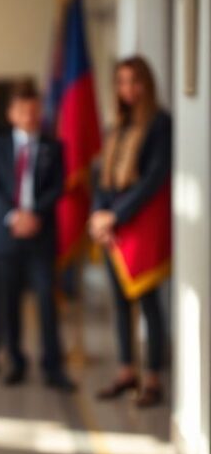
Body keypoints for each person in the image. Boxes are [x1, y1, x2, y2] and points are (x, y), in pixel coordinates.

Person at [0, 79, 75, 391]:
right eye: (23, 110)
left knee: (47, 301)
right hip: (5, 235)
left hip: (41, 236)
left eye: (34, 110)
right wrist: (13, 216)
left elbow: (57, 186)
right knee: (8, 302)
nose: (29, 115)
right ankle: (16, 361)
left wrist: (35, 215)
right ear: (11, 113)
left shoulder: (53, 146)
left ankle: (53, 366)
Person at [90, 56, 171, 408]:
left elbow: (153, 178)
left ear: (146, 85)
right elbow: (103, 178)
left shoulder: (159, 124)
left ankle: (152, 377)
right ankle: (127, 371)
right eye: (122, 82)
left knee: (149, 304)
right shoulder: (117, 126)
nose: (128, 89)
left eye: (134, 82)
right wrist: (98, 215)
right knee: (120, 303)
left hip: (141, 225)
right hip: (113, 227)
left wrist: (114, 216)